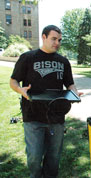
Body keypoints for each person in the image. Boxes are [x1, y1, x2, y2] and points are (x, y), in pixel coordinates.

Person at [9, 25, 83, 178]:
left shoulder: (63, 61)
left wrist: (74, 92)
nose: (57, 42)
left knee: (54, 158)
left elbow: (70, 83)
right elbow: (13, 81)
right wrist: (20, 90)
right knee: (34, 157)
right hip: (33, 116)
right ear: (44, 37)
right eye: (54, 39)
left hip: (56, 116)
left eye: (59, 40)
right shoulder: (28, 57)